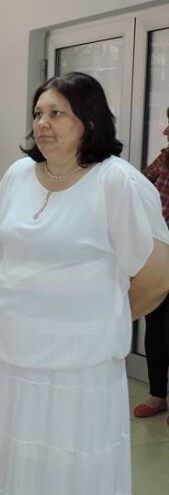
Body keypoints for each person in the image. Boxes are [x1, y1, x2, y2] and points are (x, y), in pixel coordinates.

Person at [0, 72, 169, 495]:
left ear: (88, 122)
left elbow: (157, 277)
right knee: (8, 460)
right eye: (38, 113)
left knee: (64, 468)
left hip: (77, 369)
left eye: (57, 113)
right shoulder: (19, 174)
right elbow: (4, 246)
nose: (42, 123)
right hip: (12, 357)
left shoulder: (117, 182)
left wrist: (102, 318)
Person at [136, 106, 169, 422]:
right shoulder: (163, 159)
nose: (165, 132)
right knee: (156, 327)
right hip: (159, 258)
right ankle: (158, 394)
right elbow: (139, 190)